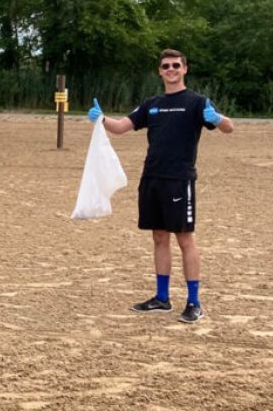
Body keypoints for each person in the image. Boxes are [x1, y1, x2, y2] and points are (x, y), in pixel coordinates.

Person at [88, 49, 233, 323]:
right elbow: (121, 127)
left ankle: (193, 303)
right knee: (158, 237)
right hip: (152, 179)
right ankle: (162, 298)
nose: (171, 69)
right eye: (166, 66)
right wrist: (101, 119)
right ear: (160, 71)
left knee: (185, 239)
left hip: (179, 181)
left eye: (176, 65)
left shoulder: (197, 102)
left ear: (185, 69)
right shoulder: (151, 104)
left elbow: (229, 127)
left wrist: (219, 120)